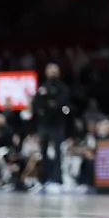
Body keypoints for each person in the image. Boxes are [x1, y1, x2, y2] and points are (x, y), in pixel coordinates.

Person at [31, 63, 72, 194]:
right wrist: (49, 106)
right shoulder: (42, 87)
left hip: (58, 125)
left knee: (58, 153)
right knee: (42, 154)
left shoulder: (63, 88)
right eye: (50, 70)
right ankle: (43, 181)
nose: (52, 73)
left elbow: (63, 103)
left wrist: (50, 106)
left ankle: (58, 181)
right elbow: (38, 103)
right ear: (46, 72)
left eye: (55, 71)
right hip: (44, 125)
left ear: (59, 72)